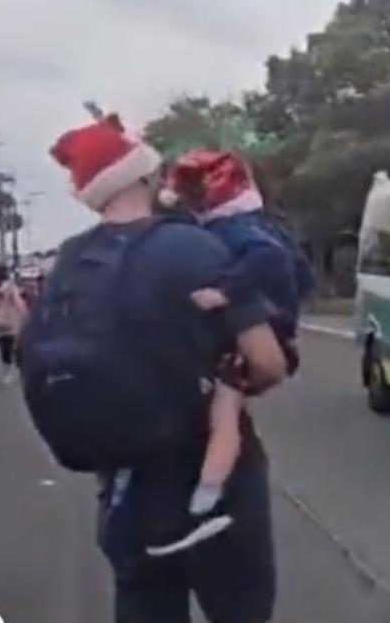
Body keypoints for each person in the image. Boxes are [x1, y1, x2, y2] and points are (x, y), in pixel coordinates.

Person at [32, 116, 288, 622]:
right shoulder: (193, 248)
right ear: (144, 175)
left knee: (144, 604)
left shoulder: (70, 261)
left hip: (125, 482)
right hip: (211, 482)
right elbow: (268, 362)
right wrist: (233, 387)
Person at [154, 149, 308, 553]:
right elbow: (298, 270)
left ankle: (206, 501)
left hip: (270, 331)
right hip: (278, 328)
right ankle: (207, 495)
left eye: (192, 196)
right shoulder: (257, 224)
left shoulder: (237, 230)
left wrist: (226, 292)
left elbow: (269, 259)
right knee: (225, 411)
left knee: (224, 412)